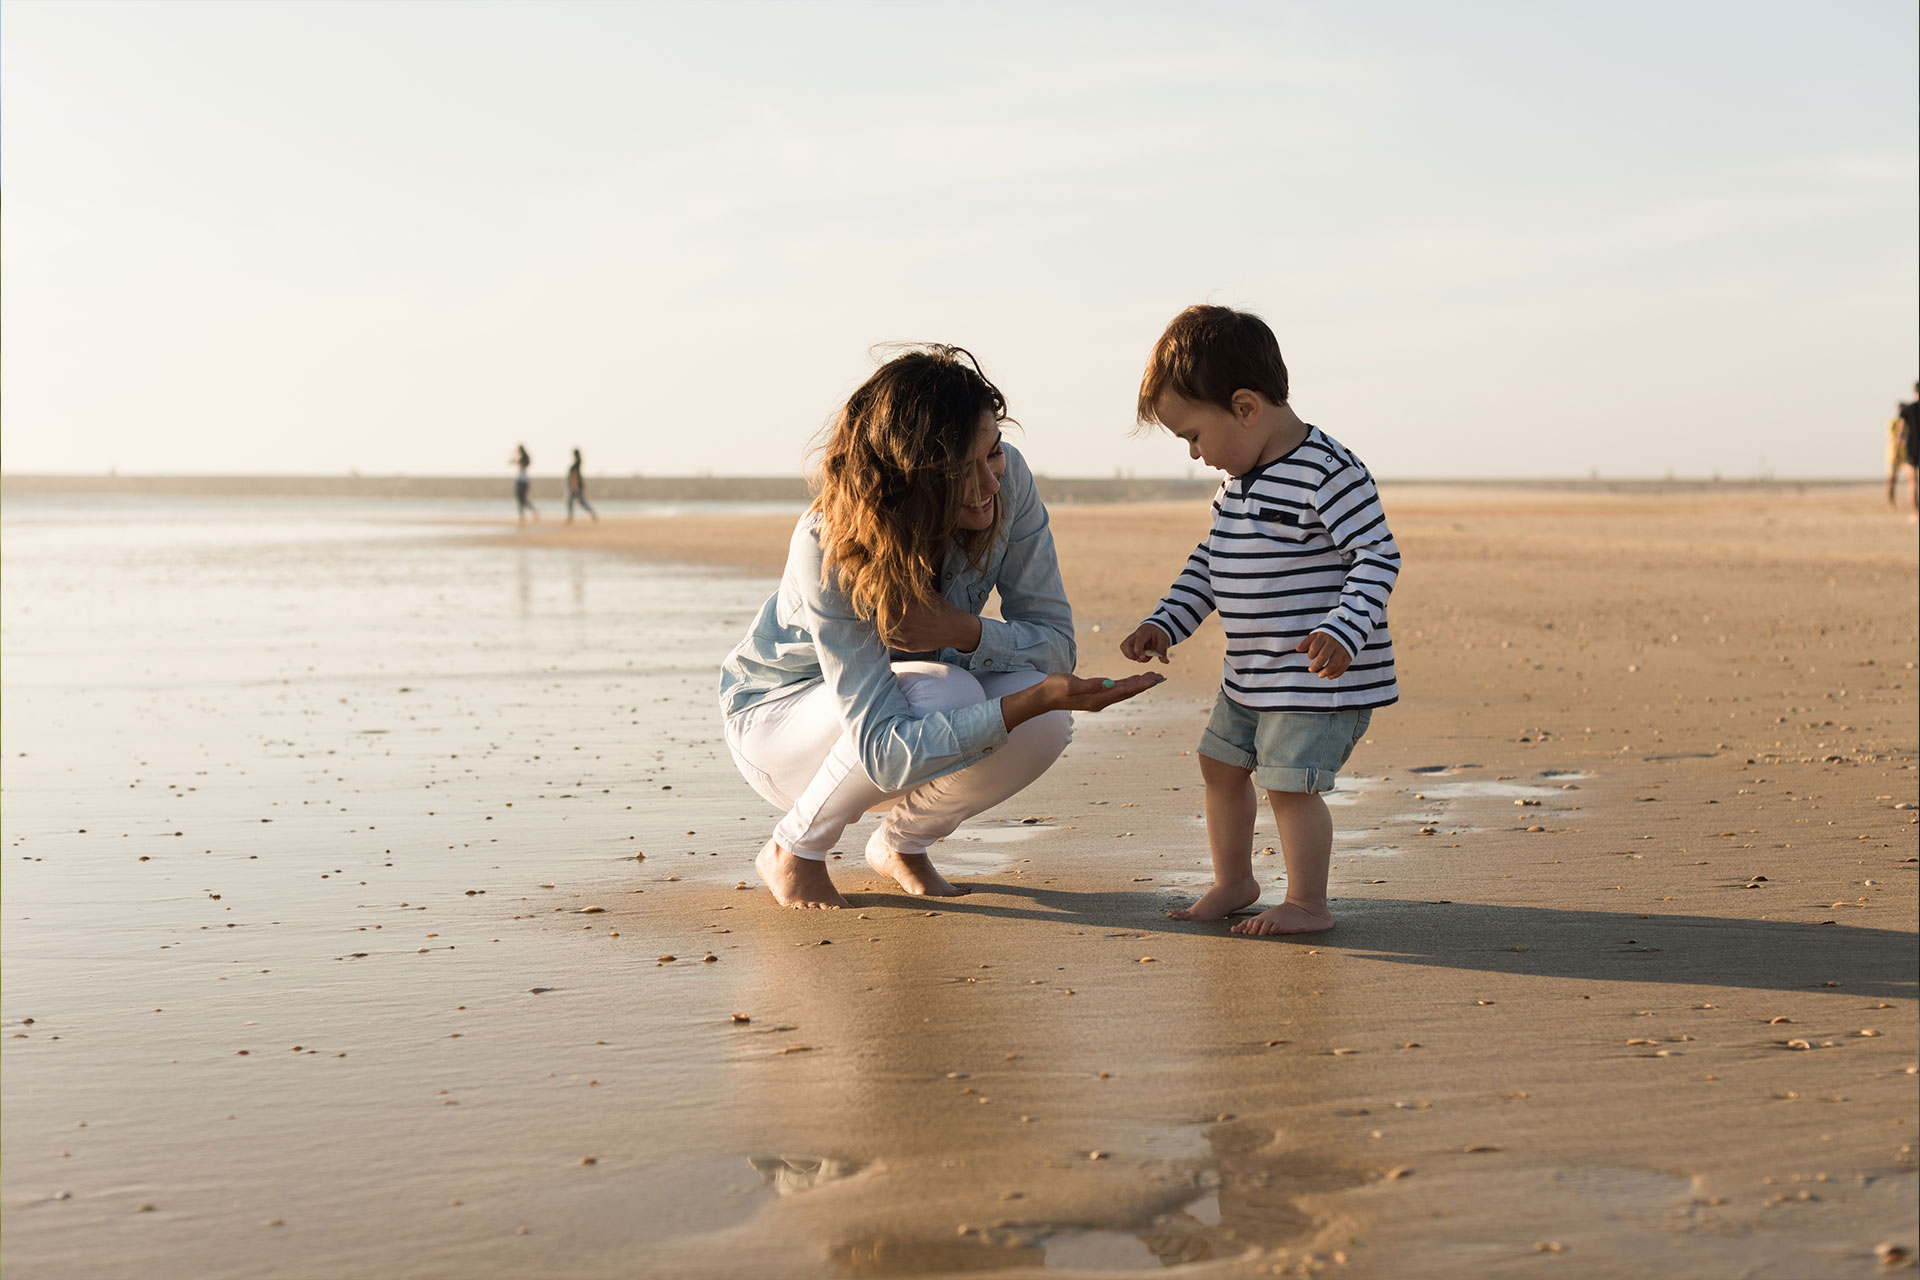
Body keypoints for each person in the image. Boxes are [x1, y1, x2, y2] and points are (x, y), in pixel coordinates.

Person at [720, 345, 1164, 910]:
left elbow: (1056, 651)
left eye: (993, 453)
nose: (989, 485)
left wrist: (965, 631)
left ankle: (903, 843)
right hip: (781, 722)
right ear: (909, 478)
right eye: (960, 471)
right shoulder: (831, 540)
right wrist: (1019, 700)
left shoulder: (1011, 483)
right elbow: (882, 751)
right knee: (945, 689)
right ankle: (794, 848)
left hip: (910, 710)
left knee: (1045, 717)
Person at [1120, 305, 1399, 937]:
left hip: (1313, 677)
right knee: (1220, 764)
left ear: (1246, 408)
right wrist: (1167, 622)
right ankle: (1235, 881)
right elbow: (1211, 563)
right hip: (1250, 674)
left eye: (1193, 435)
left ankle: (1307, 901)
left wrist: (1344, 629)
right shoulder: (1239, 484)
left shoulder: (1328, 471)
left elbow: (1377, 554)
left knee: (1289, 784)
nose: (1194, 454)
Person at [1888, 382, 1919, 520]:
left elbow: (1900, 432)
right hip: (1913, 448)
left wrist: (1896, 451)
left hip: (1912, 448)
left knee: (1912, 483)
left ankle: (1915, 513)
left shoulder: (1908, 410)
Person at [566, 449, 598, 523]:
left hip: (576, 486)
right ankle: (592, 513)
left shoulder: (575, 465)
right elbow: (579, 475)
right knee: (581, 502)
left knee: (572, 502)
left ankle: (570, 517)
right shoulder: (577, 464)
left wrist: (575, 485)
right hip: (578, 485)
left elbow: (575, 476)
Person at [509, 445, 539, 523]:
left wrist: (516, 457)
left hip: (522, 480)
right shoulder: (524, 458)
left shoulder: (523, 459)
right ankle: (528, 512)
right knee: (522, 499)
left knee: (521, 499)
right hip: (525, 480)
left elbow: (513, 462)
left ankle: (523, 514)